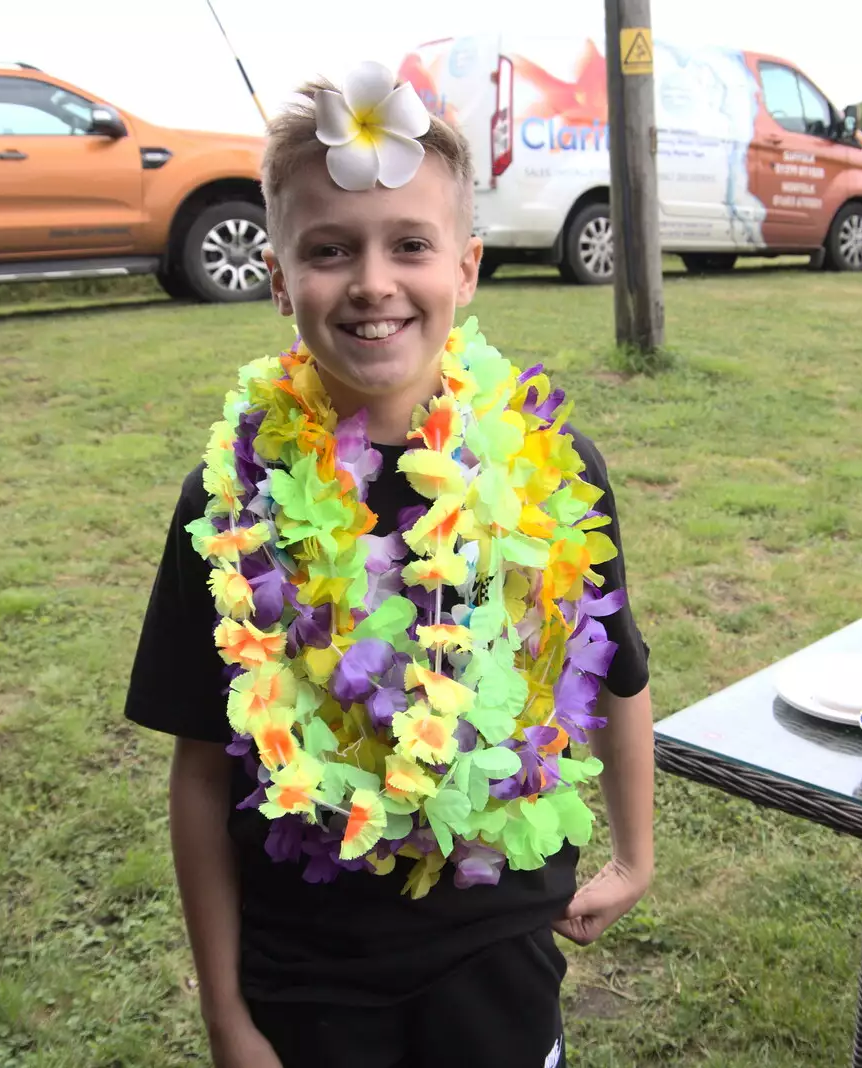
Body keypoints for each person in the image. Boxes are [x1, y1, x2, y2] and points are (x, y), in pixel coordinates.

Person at [125, 61, 654, 1068]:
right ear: (278, 276)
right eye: (329, 250)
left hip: (498, 945)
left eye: (409, 244)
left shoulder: (549, 474)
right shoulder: (231, 509)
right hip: (307, 970)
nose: (372, 282)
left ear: (466, 265)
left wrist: (636, 855)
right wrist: (227, 1016)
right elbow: (200, 769)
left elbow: (616, 667)